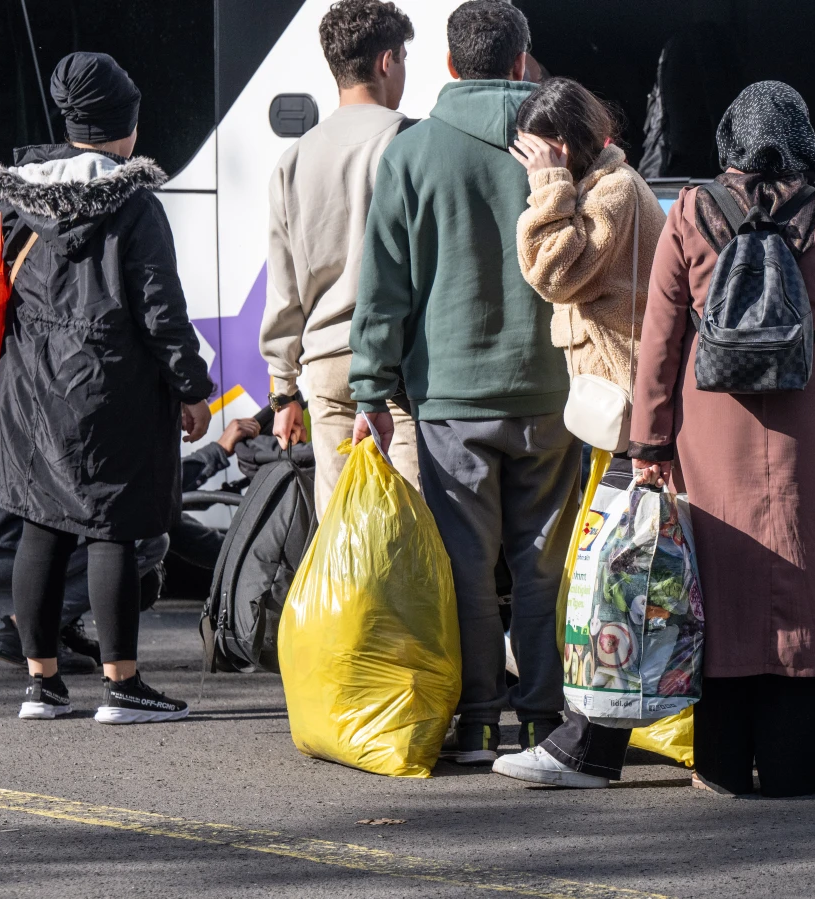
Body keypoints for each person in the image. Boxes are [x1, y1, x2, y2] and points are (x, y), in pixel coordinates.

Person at [629, 82, 815, 797]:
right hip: (813, 429)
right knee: (804, 581)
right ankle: (794, 763)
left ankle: (720, 764)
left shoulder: (690, 211)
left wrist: (649, 446)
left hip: (711, 426)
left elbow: (660, 341)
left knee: (718, 583)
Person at [0, 52, 214, 724]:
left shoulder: (16, 192)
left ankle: (43, 686)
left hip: (29, 390)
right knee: (111, 530)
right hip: (111, 391)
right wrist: (192, 387)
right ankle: (123, 687)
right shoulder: (135, 204)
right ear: (125, 126)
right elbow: (162, 311)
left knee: (42, 524)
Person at [350, 0, 581, 765]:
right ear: (522, 62)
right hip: (551, 392)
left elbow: (384, 288)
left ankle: (480, 721)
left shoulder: (412, 153)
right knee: (542, 566)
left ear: (451, 66)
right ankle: (545, 721)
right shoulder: (563, 146)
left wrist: (371, 389)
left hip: (450, 399)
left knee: (467, 570)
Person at [490, 76, 667, 788]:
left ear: (563, 145)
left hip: (635, 420)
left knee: (613, 586)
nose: (531, 164)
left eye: (538, 150)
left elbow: (552, 271)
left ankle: (585, 750)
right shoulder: (605, 186)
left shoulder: (613, 193)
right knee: (614, 583)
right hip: (628, 417)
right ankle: (588, 745)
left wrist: (547, 186)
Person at [261, 0, 420, 513]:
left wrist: (284, 392)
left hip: (327, 368)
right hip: (399, 366)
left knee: (340, 526)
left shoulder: (292, 159)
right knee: (411, 527)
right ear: (387, 61)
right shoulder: (412, 142)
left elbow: (284, 291)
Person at [0, 445, 168, 675]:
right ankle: (25, 631)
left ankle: (57, 629)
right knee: (146, 542)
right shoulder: (97, 429)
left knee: (105, 529)